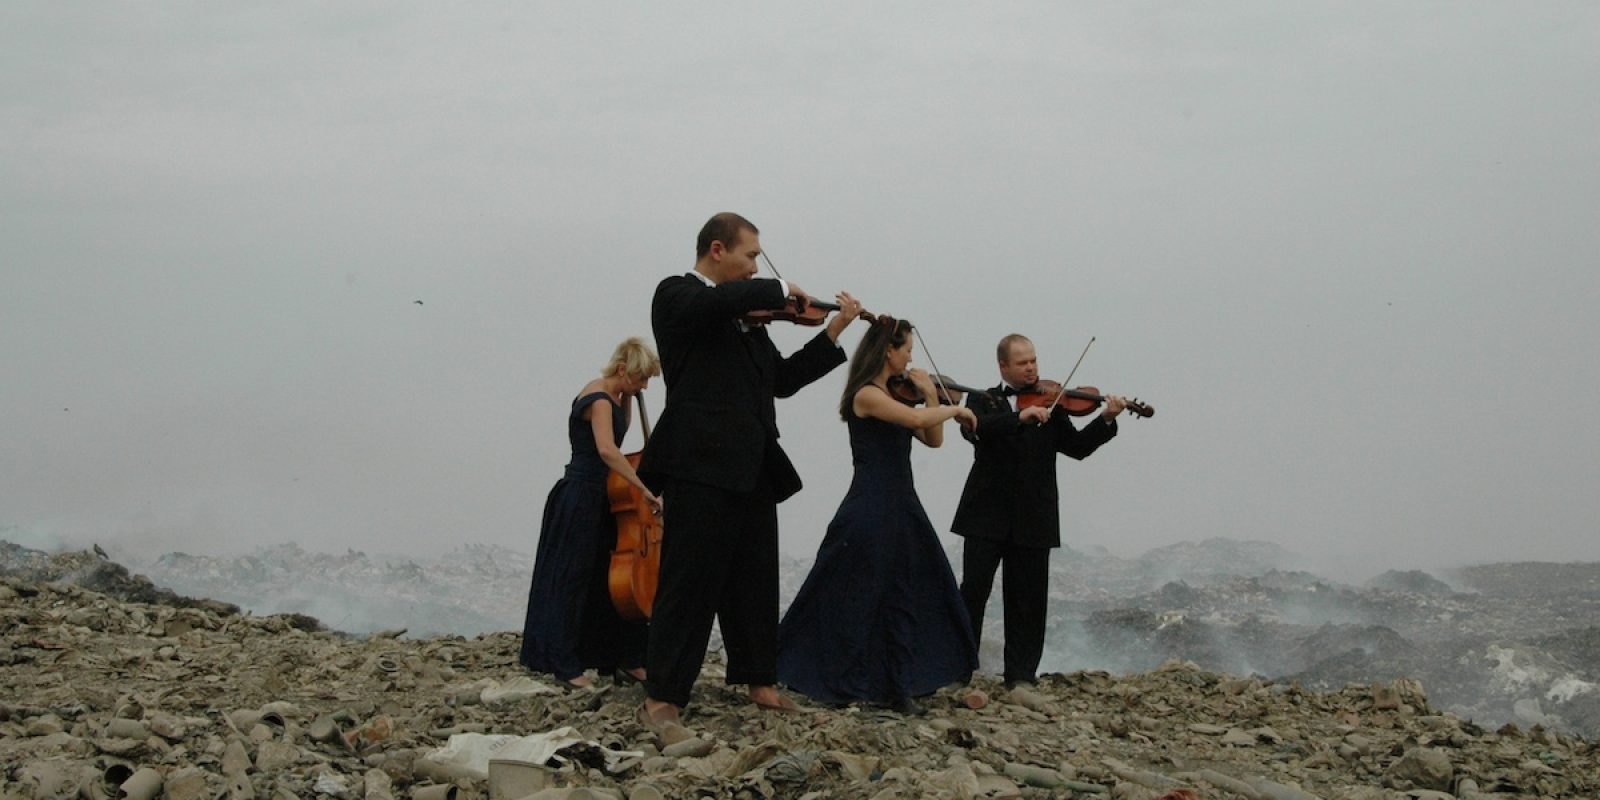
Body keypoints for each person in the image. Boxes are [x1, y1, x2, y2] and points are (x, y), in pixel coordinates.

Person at [635, 212, 864, 733]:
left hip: (754, 463)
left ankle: (759, 679)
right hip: (699, 462)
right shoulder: (676, 295)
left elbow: (781, 380)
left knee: (754, 578)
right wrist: (781, 290)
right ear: (717, 250)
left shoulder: (750, 324)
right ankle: (664, 694)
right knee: (690, 580)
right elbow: (719, 302)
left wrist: (833, 331)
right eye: (751, 255)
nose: (756, 266)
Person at [777, 316, 979, 715]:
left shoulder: (899, 395)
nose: (911, 359)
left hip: (902, 502)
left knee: (903, 592)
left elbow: (932, 439)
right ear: (888, 351)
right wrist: (953, 409)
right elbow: (917, 421)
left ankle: (898, 683)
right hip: (872, 503)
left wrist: (933, 397)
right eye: (907, 351)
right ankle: (841, 676)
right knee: (858, 592)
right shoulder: (867, 395)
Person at [951, 334, 1128, 687]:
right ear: (1003, 366)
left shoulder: (1054, 403)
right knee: (973, 592)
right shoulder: (983, 400)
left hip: (1034, 516)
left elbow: (1077, 447)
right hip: (985, 513)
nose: (1031, 368)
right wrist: (1021, 417)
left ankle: (1020, 677)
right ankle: (956, 672)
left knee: (1028, 600)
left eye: (1034, 360)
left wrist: (1106, 419)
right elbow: (980, 430)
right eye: (1022, 363)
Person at [519, 337, 662, 688]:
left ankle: (624, 658)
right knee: (575, 578)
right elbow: (608, 451)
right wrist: (644, 489)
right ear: (623, 369)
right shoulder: (598, 398)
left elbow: (621, 435)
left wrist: (628, 396)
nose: (644, 387)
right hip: (581, 495)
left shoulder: (617, 396)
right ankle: (565, 665)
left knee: (610, 581)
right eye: (641, 378)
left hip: (604, 498)